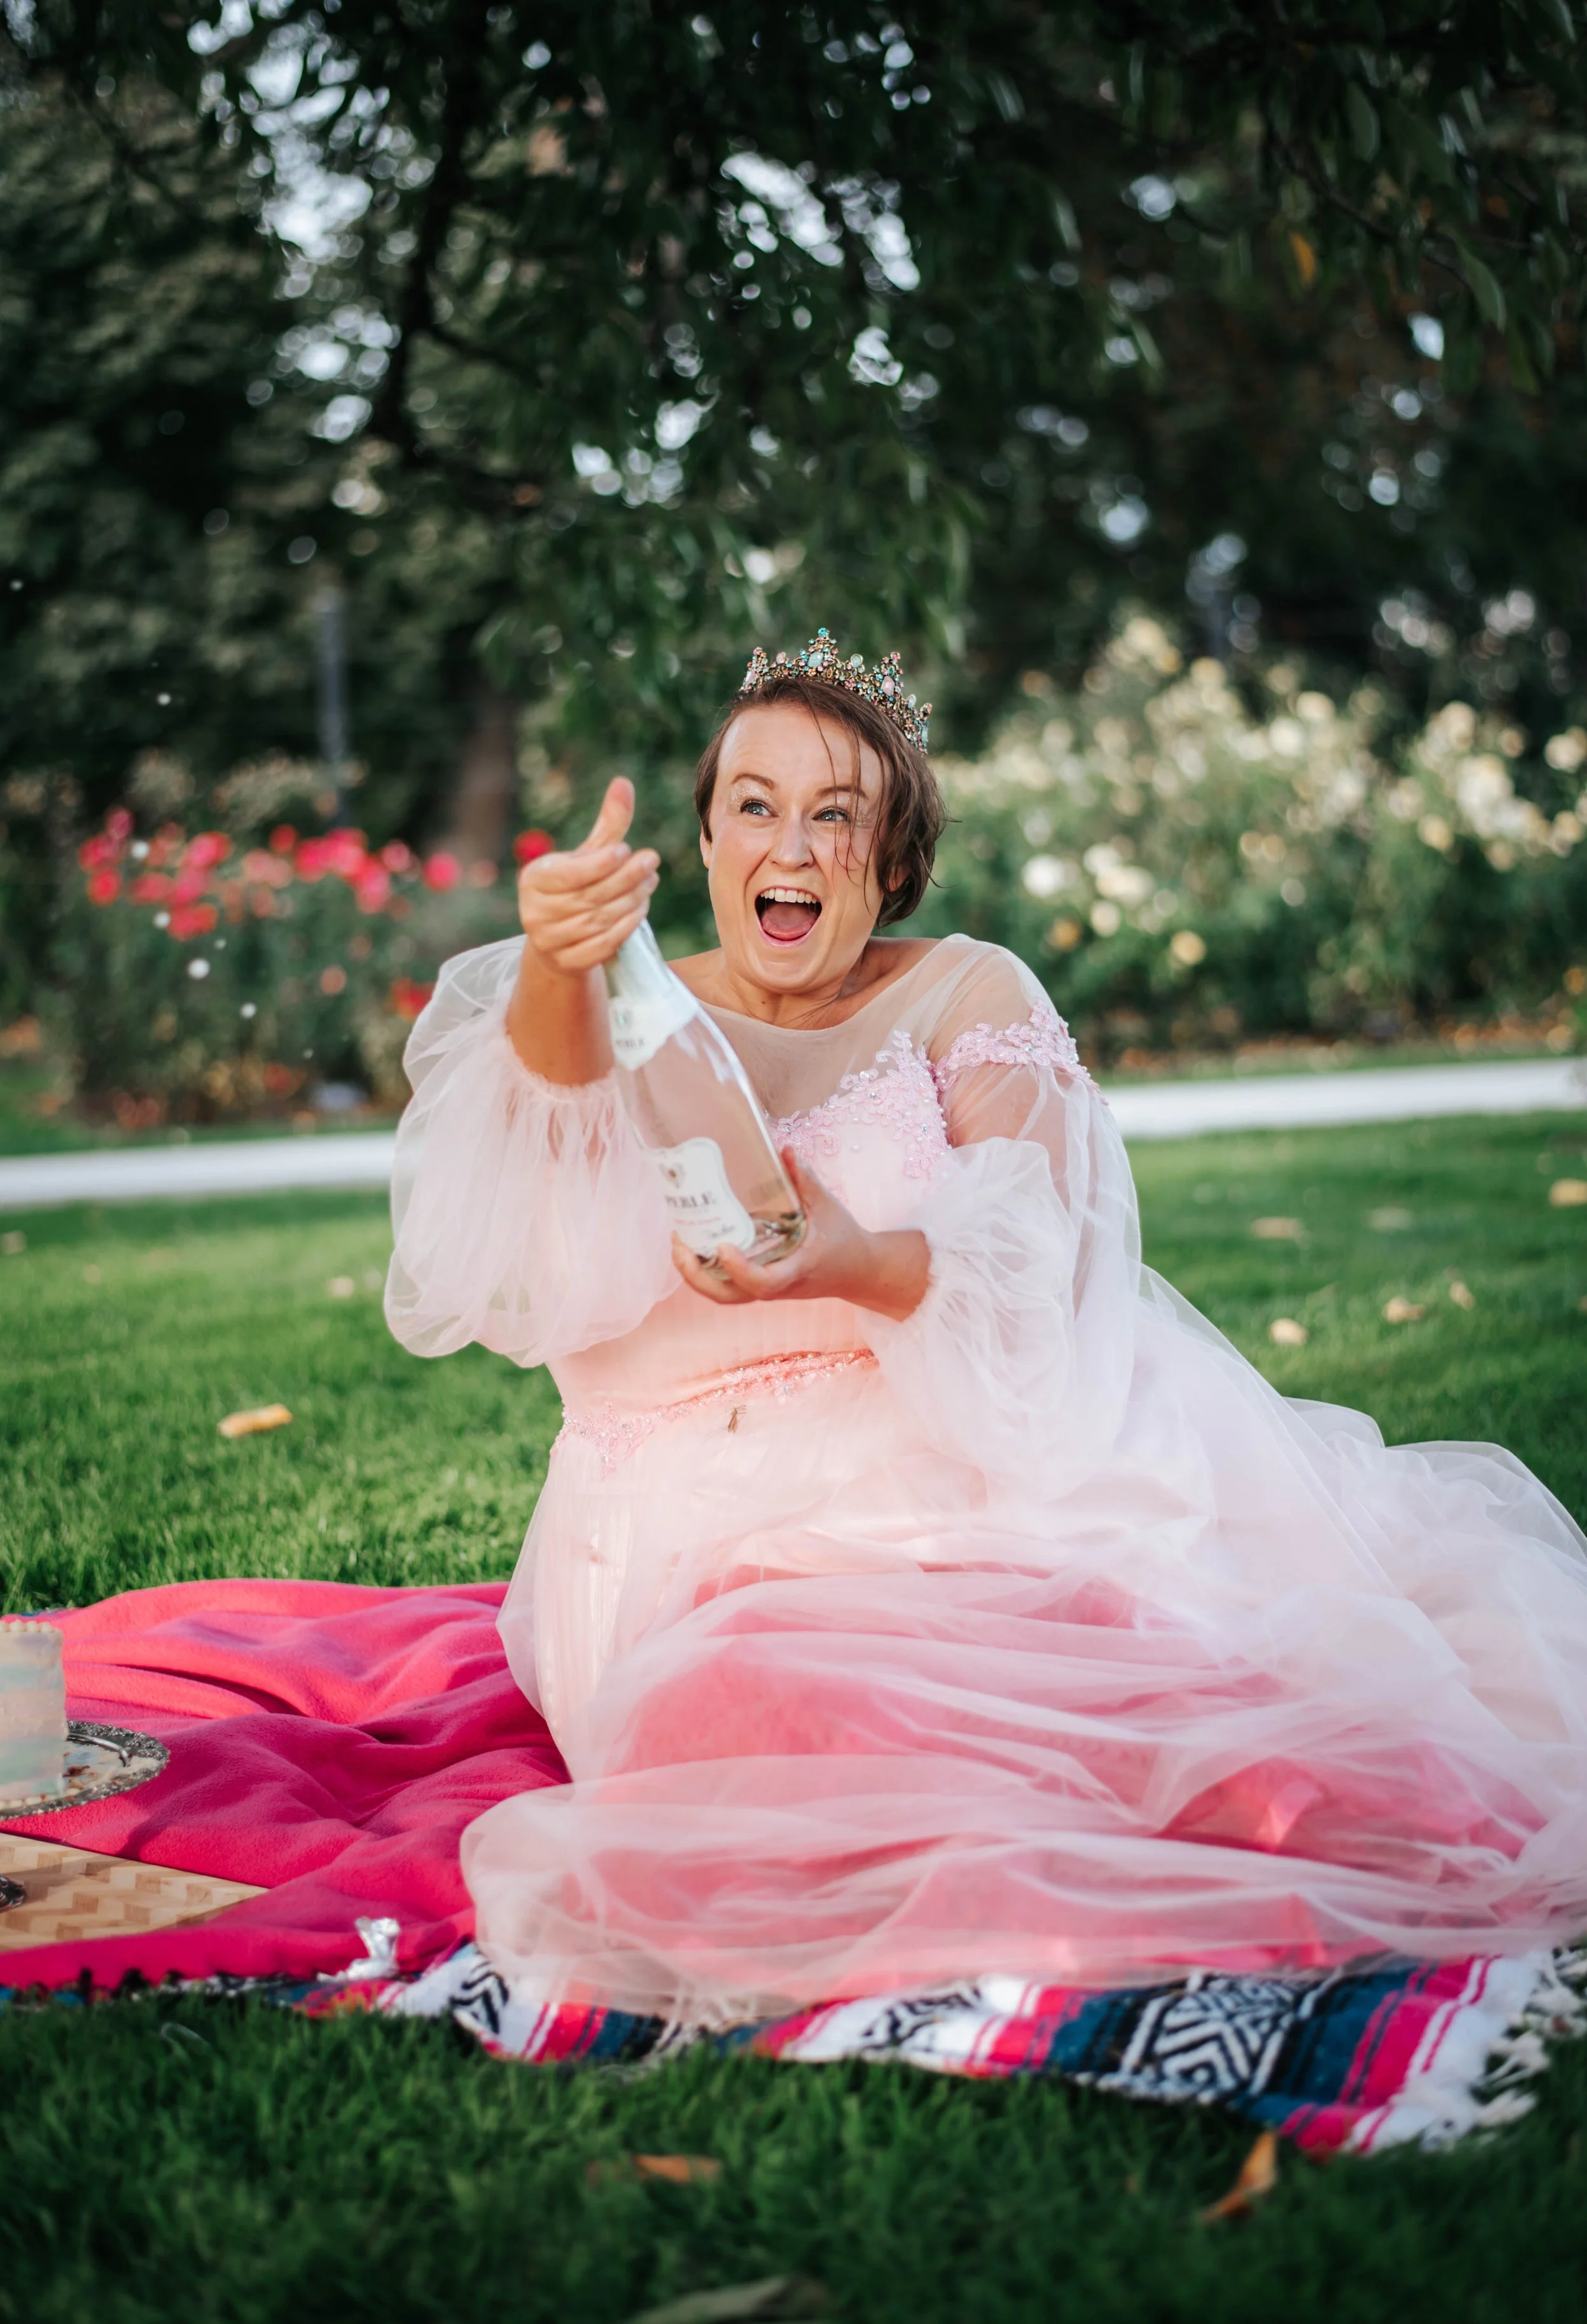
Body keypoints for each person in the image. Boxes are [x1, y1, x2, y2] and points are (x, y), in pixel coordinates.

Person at [386, 634, 1587, 2029]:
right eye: (757, 805)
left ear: (890, 860)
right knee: (756, 1703)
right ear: (704, 838)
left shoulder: (965, 989)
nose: (794, 842)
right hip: (682, 1528)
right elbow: (527, 1141)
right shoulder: (614, 1004)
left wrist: (854, 1259)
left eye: (837, 813)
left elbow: (1035, 1254)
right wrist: (554, 957)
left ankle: (1312, 1817)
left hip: (966, 1460)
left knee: (1112, 1675)